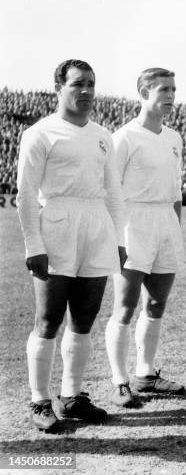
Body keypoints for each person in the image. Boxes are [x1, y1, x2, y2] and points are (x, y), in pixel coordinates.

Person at [16, 59, 126, 432]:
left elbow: (113, 192)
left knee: (84, 319)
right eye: (78, 84)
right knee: (48, 320)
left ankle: (73, 396)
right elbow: (26, 194)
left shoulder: (103, 135)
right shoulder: (40, 133)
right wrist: (33, 242)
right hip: (57, 225)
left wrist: (119, 239)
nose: (86, 91)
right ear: (58, 88)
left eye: (91, 84)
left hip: (96, 226)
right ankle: (39, 400)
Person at [105, 68, 186, 408]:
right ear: (143, 92)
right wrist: (115, 237)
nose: (170, 96)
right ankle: (120, 381)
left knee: (155, 304)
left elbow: (176, 192)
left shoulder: (174, 137)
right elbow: (109, 189)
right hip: (132, 221)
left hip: (165, 221)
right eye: (163, 89)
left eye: (173, 89)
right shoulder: (124, 137)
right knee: (124, 307)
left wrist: (175, 229)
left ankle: (145, 373)